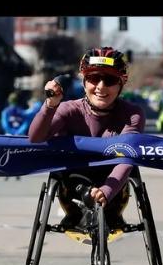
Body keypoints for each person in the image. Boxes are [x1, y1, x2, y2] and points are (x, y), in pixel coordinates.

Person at [32, 48, 143, 231]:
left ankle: (103, 207)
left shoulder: (132, 114)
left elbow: (127, 157)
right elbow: (36, 138)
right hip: (72, 189)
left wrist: (106, 191)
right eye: (93, 79)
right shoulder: (68, 109)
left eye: (109, 80)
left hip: (114, 189)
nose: (101, 86)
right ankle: (83, 199)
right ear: (84, 83)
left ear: (121, 84)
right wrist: (50, 106)